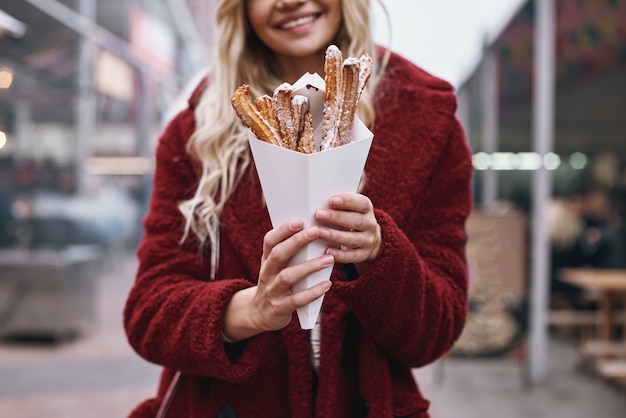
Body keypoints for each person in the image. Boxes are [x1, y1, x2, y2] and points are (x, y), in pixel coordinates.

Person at [123, 0, 474, 417]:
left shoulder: (427, 122)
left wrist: (381, 254)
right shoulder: (198, 134)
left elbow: (437, 330)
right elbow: (149, 313)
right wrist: (250, 311)